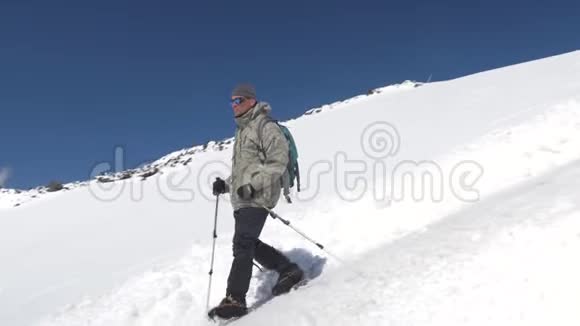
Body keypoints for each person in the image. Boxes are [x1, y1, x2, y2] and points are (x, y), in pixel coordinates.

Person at [208, 83, 304, 319]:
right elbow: (245, 170)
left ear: (251, 100)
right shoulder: (242, 132)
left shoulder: (265, 126)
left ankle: (235, 299)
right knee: (246, 242)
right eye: (231, 102)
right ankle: (288, 270)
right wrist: (227, 184)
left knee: (243, 243)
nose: (234, 105)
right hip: (243, 197)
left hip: (259, 194)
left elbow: (277, 161)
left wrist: (254, 186)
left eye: (238, 100)